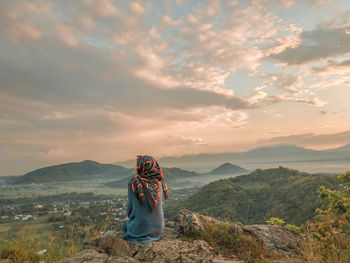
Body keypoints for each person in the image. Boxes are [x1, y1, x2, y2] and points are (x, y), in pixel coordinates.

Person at [122, 155, 170, 243]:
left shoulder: (134, 183)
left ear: (141, 167)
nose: (136, 167)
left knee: (124, 225)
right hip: (158, 229)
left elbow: (130, 210)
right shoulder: (159, 182)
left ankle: (141, 232)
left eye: (137, 165)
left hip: (141, 228)